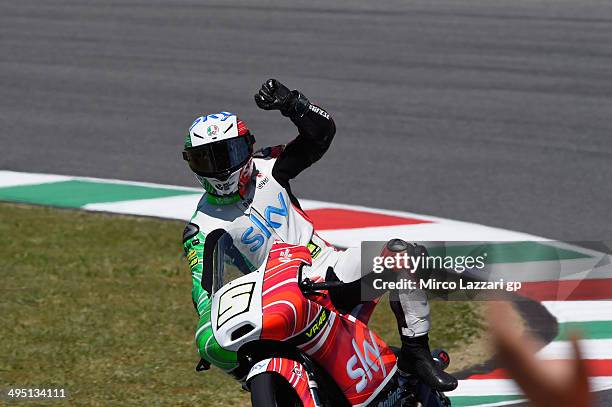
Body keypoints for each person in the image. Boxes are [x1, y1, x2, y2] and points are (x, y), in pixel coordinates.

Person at [181, 78, 457, 391]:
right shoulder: (201, 226)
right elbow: (203, 288)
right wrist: (210, 324)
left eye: (226, 154)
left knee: (400, 253)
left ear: (246, 148)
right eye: (206, 158)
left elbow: (321, 135)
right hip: (281, 301)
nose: (219, 168)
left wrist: (292, 103)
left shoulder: (269, 167)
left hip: (330, 271)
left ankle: (416, 356)